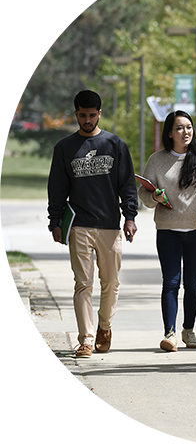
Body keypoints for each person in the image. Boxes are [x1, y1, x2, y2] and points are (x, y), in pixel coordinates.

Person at [47, 90, 138, 358]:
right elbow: (57, 189)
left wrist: (130, 216)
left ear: (99, 113)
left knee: (111, 282)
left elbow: (127, 185)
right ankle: (85, 339)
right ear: (75, 114)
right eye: (82, 115)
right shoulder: (65, 148)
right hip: (79, 225)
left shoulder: (115, 145)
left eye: (91, 115)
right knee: (83, 284)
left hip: (110, 224)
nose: (87, 120)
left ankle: (104, 326)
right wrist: (55, 222)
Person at [138, 111, 196, 352]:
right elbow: (144, 195)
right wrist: (153, 196)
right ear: (170, 133)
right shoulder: (157, 160)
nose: (186, 132)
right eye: (180, 128)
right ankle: (169, 333)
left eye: (189, 127)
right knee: (171, 282)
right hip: (168, 230)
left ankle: (188, 330)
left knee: (192, 283)